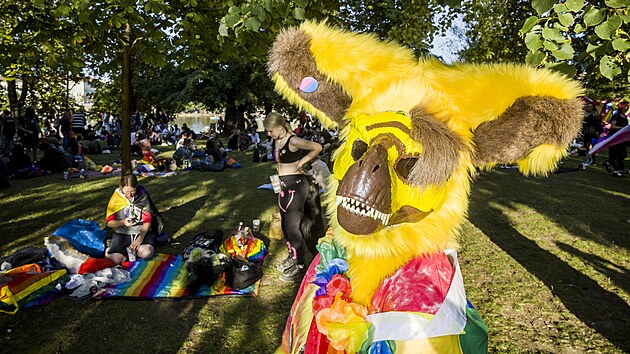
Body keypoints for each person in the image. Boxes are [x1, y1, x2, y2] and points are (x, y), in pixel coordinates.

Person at [264, 112, 322, 282]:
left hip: (296, 186)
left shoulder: (293, 140)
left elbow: (317, 147)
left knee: (292, 227)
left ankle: (300, 266)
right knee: (285, 224)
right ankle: (293, 256)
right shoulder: (277, 140)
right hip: (283, 186)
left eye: (270, 130)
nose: (268, 134)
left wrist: (302, 163)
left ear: (280, 127)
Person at [105, 174, 163, 265]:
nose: (129, 195)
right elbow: (109, 223)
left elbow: (147, 220)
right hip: (123, 233)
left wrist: (140, 239)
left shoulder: (142, 196)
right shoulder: (116, 198)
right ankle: (114, 250)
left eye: (133, 192)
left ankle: (130, 251)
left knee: (146, 253)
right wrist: (122, 222)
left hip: (141, 232)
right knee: (115, 260)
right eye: (126, 192)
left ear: (137, 187)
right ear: (121, 188)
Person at [607, 102, 628, 177]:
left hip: (622, 138)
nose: (627, 108)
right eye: (626, 106)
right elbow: (612, 126)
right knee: (616, 154)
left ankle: (618, 168)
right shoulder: (617, 116)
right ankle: (616, 170)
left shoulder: (624, 116)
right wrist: (621, 128)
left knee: (622, 154)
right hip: (616, 137)